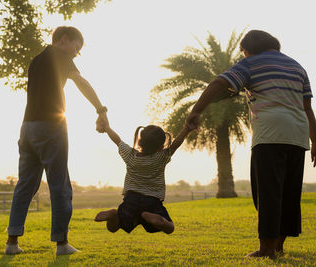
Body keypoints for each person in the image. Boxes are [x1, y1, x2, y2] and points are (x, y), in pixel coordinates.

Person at [185, 30, 316, 259]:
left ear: (249, 48)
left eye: (243, 51)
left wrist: (196, 111)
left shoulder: (251, 63)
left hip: (269, 133)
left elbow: (219, 82)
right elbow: (307, 109)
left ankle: (266, 249)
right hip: (297, 134)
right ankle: (278, 246)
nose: (243, 55)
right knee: (288, 193)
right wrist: (315, 141)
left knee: (267, 193)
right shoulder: (297, 67)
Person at [5, 26, 109, 255]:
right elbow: (80, 81)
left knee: (25, 185)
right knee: (59, 183)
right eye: (76, 48)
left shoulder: (36, 60)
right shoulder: (60, 56)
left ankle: (11, 243)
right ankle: (62, 244)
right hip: (51, 126)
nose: (76, 53)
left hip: (27, 127)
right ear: (64, 40)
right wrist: (100, 109)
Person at [94, 122, 192, 234]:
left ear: (139, 141)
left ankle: (113, 215)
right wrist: (186, 129)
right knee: (170, 228)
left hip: (131, 200)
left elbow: (117, 140)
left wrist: (107, 128)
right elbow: (175, 144)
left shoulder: (130, 155)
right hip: (152, 201)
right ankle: (159, 220)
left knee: (114, 227)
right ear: (161, 147)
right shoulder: (161, 158)